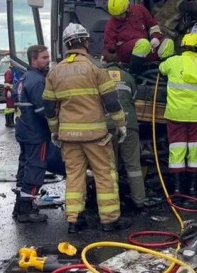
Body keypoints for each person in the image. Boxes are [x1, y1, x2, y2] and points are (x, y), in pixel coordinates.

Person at [43, 23, 132, 233]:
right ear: (85, 41)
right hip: (96, 136)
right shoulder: (96, 69)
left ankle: (74, 221)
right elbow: (111, 102)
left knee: (74, 176)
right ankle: (109, 221)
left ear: (66, 45)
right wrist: (121, 124)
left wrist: (54, 131)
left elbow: (49, 107)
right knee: (104, 175)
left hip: (68, 137)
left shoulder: (55, 72)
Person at [159, 33, 197, 195]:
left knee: (177, 148)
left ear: (182, 46)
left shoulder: (173, 62)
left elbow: (161, 69)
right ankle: (192, 189)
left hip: (176, 114)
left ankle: (177, 189)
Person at [12, 45, 51, 223]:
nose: (48, 60)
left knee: (25, 167)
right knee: (35, 167)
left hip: (24, 131)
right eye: (44, 57)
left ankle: (19, 205)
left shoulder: (22, 79)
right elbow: (44, 110)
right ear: (33, 60)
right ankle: (26, 209)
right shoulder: (37, 81)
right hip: (36, 133)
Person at [104, 56, 146, 211]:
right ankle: (139, 201)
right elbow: (133, 98)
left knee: (109, 167)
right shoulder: (128, 77)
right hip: (129, 125)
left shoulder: (98, 75)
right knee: (133, 166)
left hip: (107, 126)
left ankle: (111, 204)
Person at [104, 0, 174, 75]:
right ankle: (133, 74)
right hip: (127, 55)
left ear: (127, 8)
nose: (118, 17)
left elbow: (153, 25)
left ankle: (165, 73)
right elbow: (109, 46)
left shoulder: (140, 10)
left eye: (120, 14)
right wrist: (109, 59)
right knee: (143, 44)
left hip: (145, 48)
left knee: (168, 43)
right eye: (115, 15)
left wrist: (155, 37)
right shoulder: (111, 24)